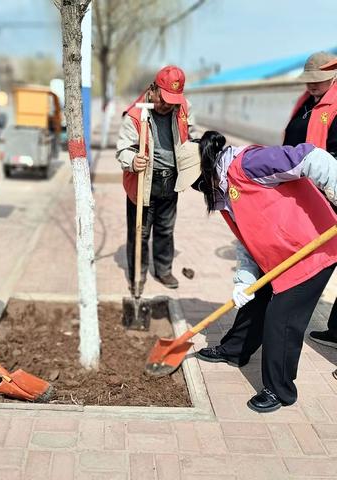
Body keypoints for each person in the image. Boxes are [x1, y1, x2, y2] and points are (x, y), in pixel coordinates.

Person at [192, 131, 337, 413]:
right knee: (255, 296)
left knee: (281, 318)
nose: (198, 191)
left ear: (206, 169)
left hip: (313, 250)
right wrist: (243, 281)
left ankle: (279, 390)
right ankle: (235, 350)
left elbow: (312, 157)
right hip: (280, 253)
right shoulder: (224, 191)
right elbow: (248, 241)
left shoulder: (250, 164)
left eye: (197, 184)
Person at [116, 65, 197, 294]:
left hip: (170, 181)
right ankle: (137, 276)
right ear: (153, 89)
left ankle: (163, 270)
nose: (167, 105)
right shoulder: (135, 114)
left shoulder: (182, 109)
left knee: (165, 230)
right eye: (164, 98)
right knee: (140, 232)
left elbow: (193, 134)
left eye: (173, 100)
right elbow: (123, 149)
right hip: (143, 182)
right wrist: (133, 160)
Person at [283, 51, 337, 349]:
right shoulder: (307, 101)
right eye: (309, 81)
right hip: (305, 190)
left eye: (319, 81)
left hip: (330, 193)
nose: (313, 86)